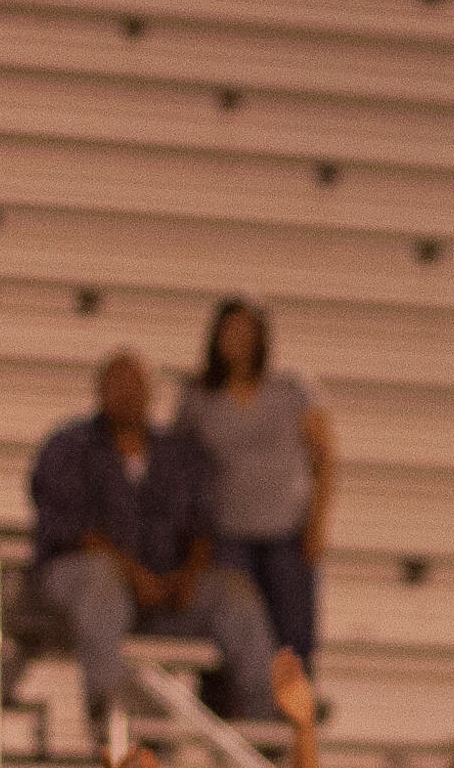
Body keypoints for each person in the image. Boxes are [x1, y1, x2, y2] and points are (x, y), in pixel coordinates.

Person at [30, 348, 278, 728]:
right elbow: (73, 529)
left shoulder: (177, 454)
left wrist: (187, 576)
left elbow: (202, 526)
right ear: (100, 392)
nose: (128, 395)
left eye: (136, 386)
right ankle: (110, 701)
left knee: (234, 591)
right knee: (99, 578)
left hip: (162, 592)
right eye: (118, 386)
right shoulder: (69, 446)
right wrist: (134, 575)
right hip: (81, 591)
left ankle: (267, 710)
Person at [172, 296, 333, 662]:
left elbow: (324, 456)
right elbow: (179, 465)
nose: (238, 339)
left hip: (287, 533)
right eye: (231, 330)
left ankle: (293, 699)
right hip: (227, 536)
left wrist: (318, 521)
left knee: (293, 638)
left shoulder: (293, 389)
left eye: (247, 331)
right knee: (235, 634)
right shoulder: (198, 397)